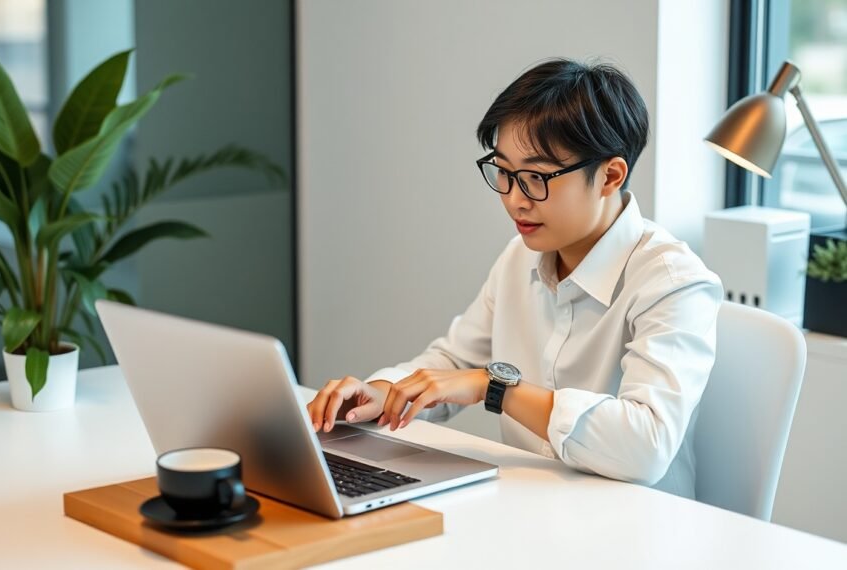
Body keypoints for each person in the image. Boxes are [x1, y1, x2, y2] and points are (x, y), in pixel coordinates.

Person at [306, 58, 723, 499]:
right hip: (529, 506)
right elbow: (453, 364)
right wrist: (380, 392)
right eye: (504, 173)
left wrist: (497, 388)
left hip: (636, 525)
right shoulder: (519, 259)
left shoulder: (672, 281)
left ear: (609, 175)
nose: (513, 199)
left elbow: (646, 446)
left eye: (536, 178)